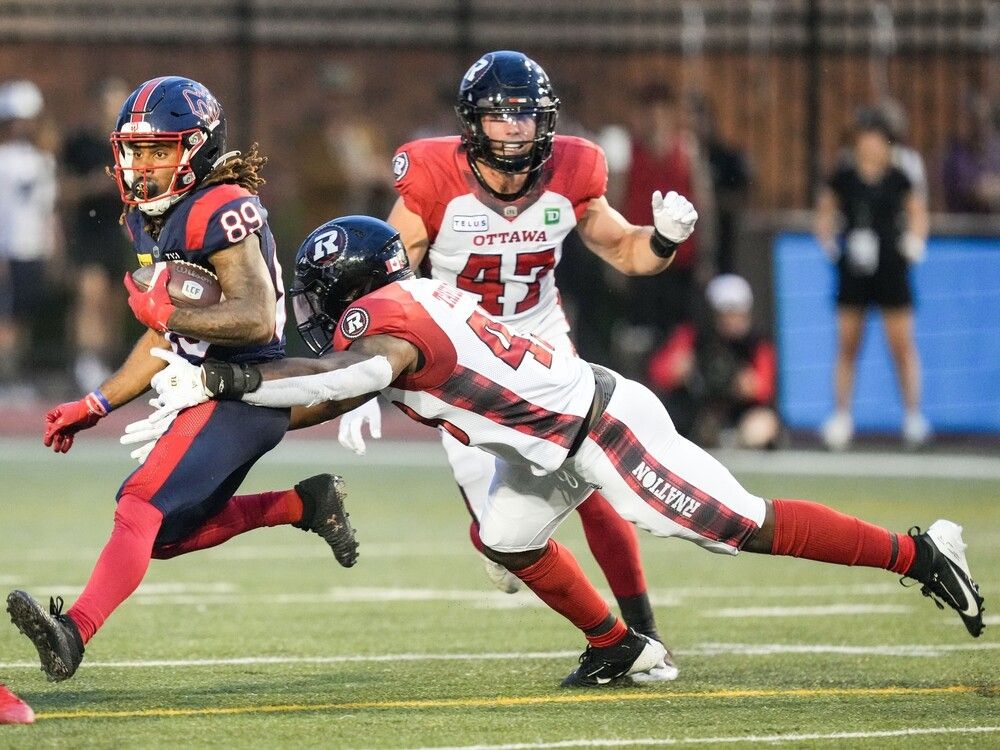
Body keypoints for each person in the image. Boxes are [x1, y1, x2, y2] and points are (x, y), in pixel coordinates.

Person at [129, 215, 984, 689]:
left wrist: (230, 387)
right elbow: (339, 381)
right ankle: (620, 645)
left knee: (734, 525)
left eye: (321, 292)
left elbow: (359, 368)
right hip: (544, 447)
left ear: (352, 286)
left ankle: (918, 551)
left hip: (600, 429)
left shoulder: (387, 321)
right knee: (504, 534)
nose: (314, 307)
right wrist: (261, 396)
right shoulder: (400, 306)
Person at [335, 52, 697, 679]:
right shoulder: (432, 178)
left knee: (595, 480)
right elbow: (381, 280)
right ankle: (516, 556)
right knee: (503, 548)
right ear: (472, 123)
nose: (514, 126)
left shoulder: (572, 170)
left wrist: (662, 237)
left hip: (542, 343)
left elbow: (629, 253)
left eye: (525, 113)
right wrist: (362, 371)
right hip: (465, 357)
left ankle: (640, 633)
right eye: (499, 114)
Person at [5, 77, 358, 684]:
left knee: (139, 504)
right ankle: (305, 503)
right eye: (135, 151)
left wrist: (166, 312)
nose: (142, 165)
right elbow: (166, 339)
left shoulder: (218, 207)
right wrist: (96, 401)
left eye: (159, 150)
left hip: (245, 384)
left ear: (196, 148)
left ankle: (75, 631)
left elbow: (253, 317)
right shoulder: (148, 218)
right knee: (164, 535)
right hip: (203, 383)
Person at [815, 109, 930, 451]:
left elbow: (918, 214)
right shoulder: (844, 177)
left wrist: (914, 243)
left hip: (891, 267)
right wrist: (831, 246)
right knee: (848, 344)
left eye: (878, 138)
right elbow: (823, 215)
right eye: (866, 137)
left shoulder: (899, 178)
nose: (871, 144)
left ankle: (913, 417)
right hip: (854, 269)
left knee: (901, 344)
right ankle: (841, 416)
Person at [60, 77, 134, 392]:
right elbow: (63, 190)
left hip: (121, 232)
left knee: (115, 304)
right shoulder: (80, 145)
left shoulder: (133, 147)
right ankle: (84, 364)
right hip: (89, 229)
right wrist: (95, 185)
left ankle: (105, 365)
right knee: (90, 296)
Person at [647, 274, 780, 449]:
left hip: (739, 415)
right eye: (726, 313)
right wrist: (679, 370)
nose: (732, 319)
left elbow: (766, 387)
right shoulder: (694, 337)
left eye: (737, 312)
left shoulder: (756, 344)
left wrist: (747, 385)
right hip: (698, 410)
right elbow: (657, 372)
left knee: (761, 426)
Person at [0, 79, 58, 395]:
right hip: (9, 249)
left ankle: (16, 377)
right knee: (6, 318)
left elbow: (49, 212)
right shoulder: (4, 159)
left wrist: (53, 249)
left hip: (34, 247)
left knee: (22, 316)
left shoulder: (44, 160)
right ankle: (6, 379)